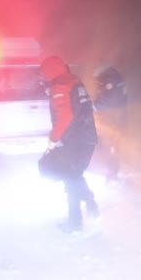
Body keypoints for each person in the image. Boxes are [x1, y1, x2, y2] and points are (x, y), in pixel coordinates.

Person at [38, 56, 99, 232]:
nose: (43, 78)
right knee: (73, 174)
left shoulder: (61, 86)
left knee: (69, 177)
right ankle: (90, 203)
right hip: (85, 137)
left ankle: (75, 222)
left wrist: (53, 139)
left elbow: (65, 116)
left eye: (44, 74)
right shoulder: (74, 81)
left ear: (49, 71)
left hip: (74, 140)